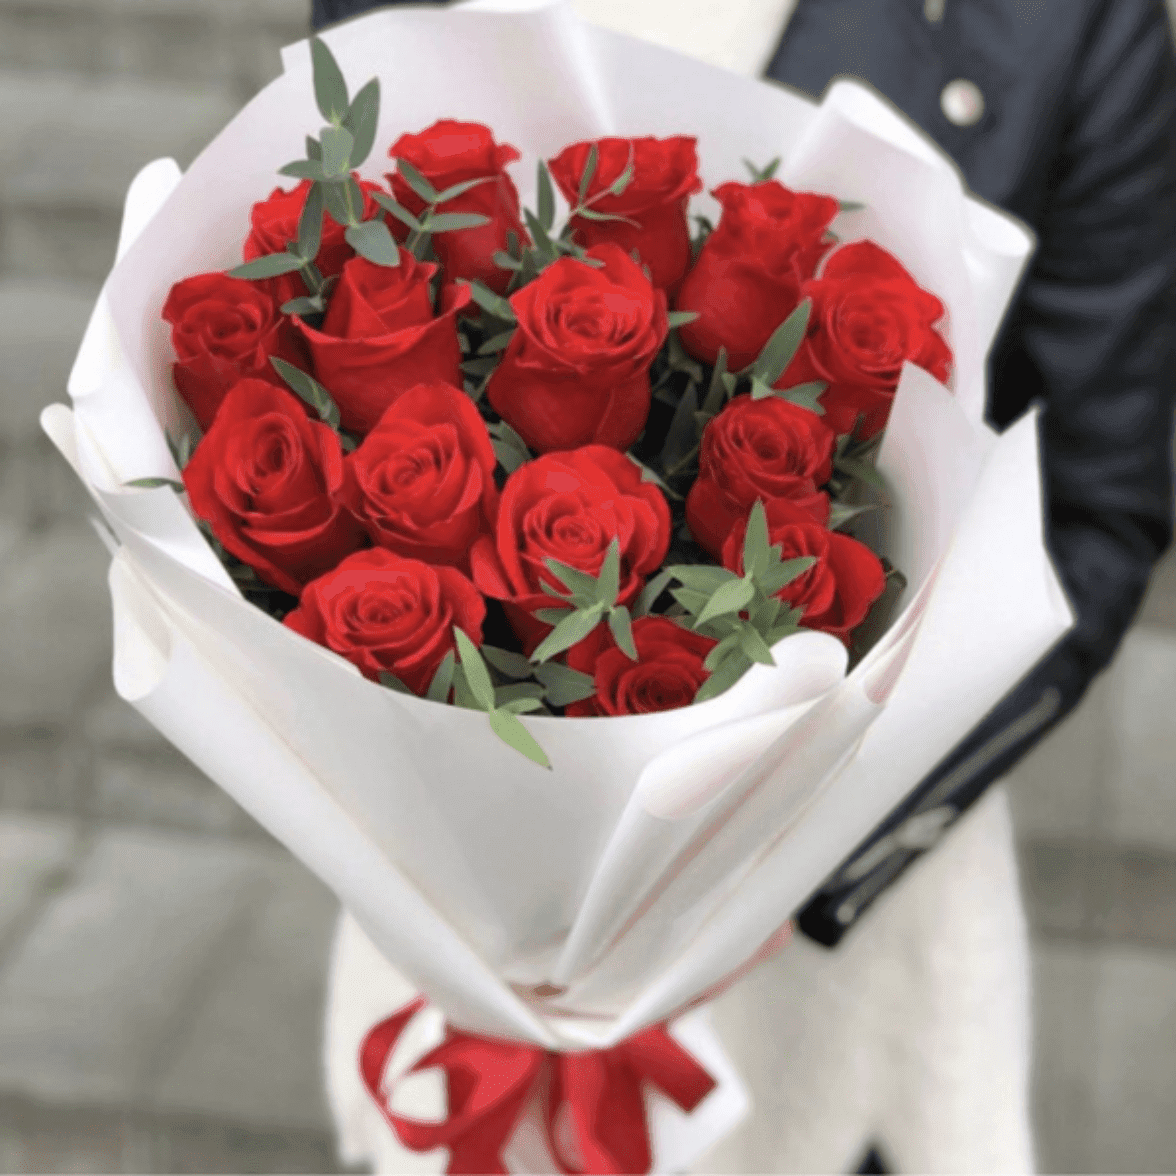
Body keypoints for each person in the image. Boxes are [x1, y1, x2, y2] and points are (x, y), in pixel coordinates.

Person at [312, 1, 1176, 1170]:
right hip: (459, 952)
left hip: (829, 953)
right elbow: (318, 319)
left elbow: (1093, 511)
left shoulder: (1064, 22)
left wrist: (793, 866)